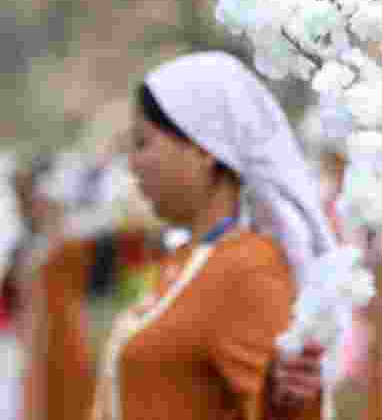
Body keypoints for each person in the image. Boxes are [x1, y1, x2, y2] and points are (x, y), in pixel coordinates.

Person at [39, 52, 334, 420]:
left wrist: (293, 399)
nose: (131, 163)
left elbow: (289, 405)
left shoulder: (248, 268)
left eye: (143, 143)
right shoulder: (187, 259)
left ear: (203, 148)